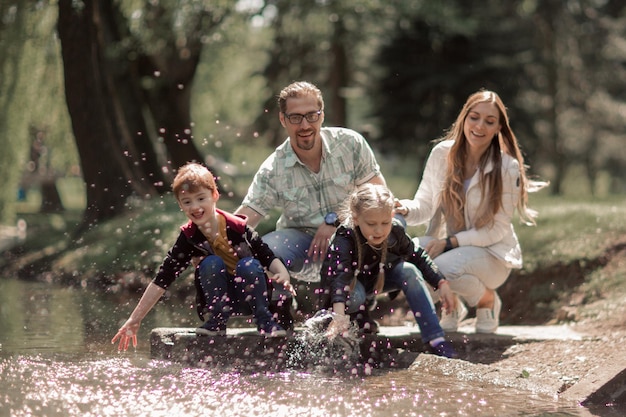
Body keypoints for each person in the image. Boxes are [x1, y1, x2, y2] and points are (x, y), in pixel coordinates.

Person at [235, 81, 386, 331]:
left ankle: (361, 307)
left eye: (311, 116)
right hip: (299, 245)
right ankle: (281, 304)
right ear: (283, 120)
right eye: (295, 117)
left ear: (322, 115)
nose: (304, 125)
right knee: (265, 250)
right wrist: (207, 237)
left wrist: (335, 221)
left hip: (348, 245)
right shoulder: (273, 168)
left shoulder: (350, 144)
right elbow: (244, 219)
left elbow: (379, 195)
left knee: (354, 297)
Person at [395, 90, 548, 334]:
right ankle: (452, 306)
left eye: (489, 121)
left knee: (440, 268)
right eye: (474, 117)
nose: (480, 126)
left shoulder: (507, 167)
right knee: (407, 260)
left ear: (499, 127)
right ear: (464, 119)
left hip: (492, 257)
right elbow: (424, 204)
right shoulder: (441, 154)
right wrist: (404, 207)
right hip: (452, 249)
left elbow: (496, 229)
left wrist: (449, 242)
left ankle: (487, 300)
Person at [112, 163, 294, 351]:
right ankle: (216, 322)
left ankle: (265, 321)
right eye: (187, 201)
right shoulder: (189, 238)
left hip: (252, 297)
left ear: (214, 196)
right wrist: (135, 319)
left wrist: (283, 275)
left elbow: (266, 255)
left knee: (248, 265)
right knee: (211, 263)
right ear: (180, 205)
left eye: (201, 198)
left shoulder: (237, 228)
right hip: (220, 300)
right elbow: (162, 279)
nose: (195, 207)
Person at [319, 183, 457, 358]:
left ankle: (436, 338)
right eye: (371, 224)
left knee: (410, 272)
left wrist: (441, 282)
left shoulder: (395, 231)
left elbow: (418, 255)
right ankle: (354, 324)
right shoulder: (345, 235)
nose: (379, 230)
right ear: (356, 218)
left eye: (385, 223)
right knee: (356, 296)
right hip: (346, 289)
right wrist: (338, 315)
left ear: (392, 216)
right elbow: (340, 275)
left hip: (376, 278)